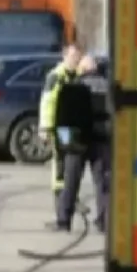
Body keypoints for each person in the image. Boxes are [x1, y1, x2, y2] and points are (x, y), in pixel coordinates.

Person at [53, 55, 111, 232]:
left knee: (71, 181)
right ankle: (104, 220)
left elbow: (62, 117)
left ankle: (64, 219)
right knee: (102, 182)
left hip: (76, 141)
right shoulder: (109, 87)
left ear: (82, 70)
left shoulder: (72, 87)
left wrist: (61, 145)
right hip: (102, 140)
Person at [38, 44, 81, 216]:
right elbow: (47, 102)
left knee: (72, 164)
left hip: (73, 126)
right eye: (72, 56)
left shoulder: (76, 75)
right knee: (62, 163)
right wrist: (45, 127)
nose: (75, 60)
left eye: (77, 57)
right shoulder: (56, 76)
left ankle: (69, 199)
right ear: (64, 57)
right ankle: (61, 201)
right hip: (60, 127)